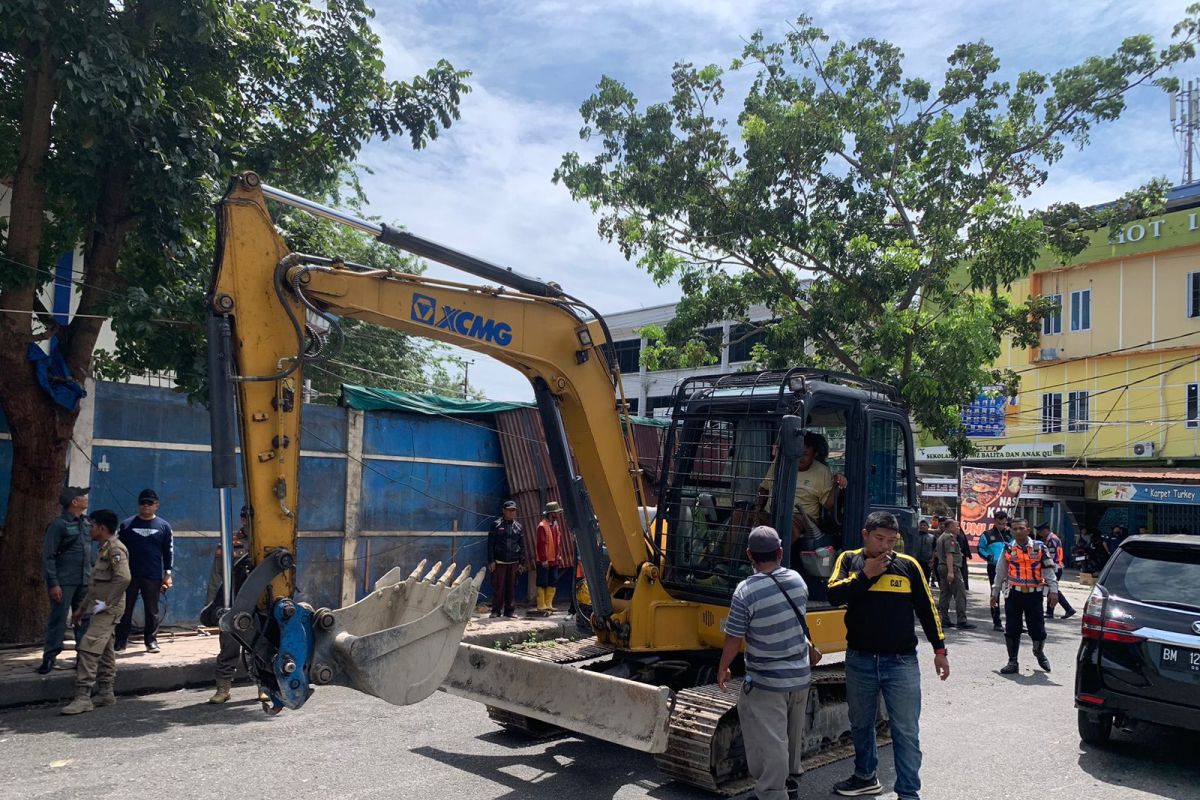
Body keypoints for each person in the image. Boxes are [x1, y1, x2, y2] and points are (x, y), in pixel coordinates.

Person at [827, 512, 949, 800]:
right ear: (865, 534)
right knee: (860, 724)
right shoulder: (848, 561)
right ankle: (865, 776)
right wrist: (865, 575)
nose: (885, 547)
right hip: (860, 660)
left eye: (890, 541)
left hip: (901, 663)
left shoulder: (908, 566)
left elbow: (928, 609)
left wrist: (940, 650)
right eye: (879, 539)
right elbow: (833, 594)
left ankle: (908, 793)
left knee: (906, 731)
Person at [717, 526, 811, 800]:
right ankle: (790, 782)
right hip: (800, 676)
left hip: (767, 681)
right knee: (792, 735)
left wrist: (723, 667)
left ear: (749, 555)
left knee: (770, 741)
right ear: (780, 552)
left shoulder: (746, 592)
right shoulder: (797, 580)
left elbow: (734, 638)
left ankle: (772, 794)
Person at [60, 510, 131, 715]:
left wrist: (107, 603)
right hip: (101, 607)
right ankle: (106, 692)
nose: (89, 529)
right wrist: (82, 609)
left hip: (109, 608)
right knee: (105, 647)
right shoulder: (104, 549)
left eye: (92, 525)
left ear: (101, 528)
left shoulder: (116, 549)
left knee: (88, 647)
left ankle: (83, 697)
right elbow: (95, 586)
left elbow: (124, 578)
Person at [991, 518, 1058, 674]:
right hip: (1014, 594)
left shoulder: (1040, 548)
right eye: (1015, 529)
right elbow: (1000, 572)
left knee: (1038, 629)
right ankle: (1012, 661)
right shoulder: (1007, 549)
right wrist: (995, 593)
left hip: (1034, 595)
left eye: (1021, 528)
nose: (1018, 531)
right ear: (1011, 531)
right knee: (1012, 628)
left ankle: (1039, 652)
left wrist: (1054, 591)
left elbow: (1049, 571)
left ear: (1028, 530)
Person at [38, 487, 92, 674]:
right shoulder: (59, 525)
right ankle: (49, 658)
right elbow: (49, 556)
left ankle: (83, 658)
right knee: (58, 620)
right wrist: (53, 582)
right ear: (74, 502)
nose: (86, 499)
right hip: (64, 581)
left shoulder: (86, 523)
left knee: (84, 620)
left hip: (84, 581)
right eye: (82, 497)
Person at [757, 431, 848, 540]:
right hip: (772, 512)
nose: (800, 458)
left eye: (805, 454)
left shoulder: (822, 471)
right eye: (798, 453)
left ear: (814, 454)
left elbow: (828, 505)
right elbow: (764, 488)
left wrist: (835, 485)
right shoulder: (779, 463)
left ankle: (776, 555)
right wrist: (758, 509)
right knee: (740, 516)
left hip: (801, 517)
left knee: (785, 526)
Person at [114, 489, 174, 653]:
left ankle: (151, 641)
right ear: (138, 504)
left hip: (152, 575)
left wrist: (167, 574)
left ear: (157, 505)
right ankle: (120, 641)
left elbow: (168, 551)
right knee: (125, 609)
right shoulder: (126, 525)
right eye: (143, 503)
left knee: (152, 610)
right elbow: (117, 549)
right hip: (129, 575)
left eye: (150, 503)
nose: (146, 506)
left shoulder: (164, 527)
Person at [208, 507, 250, 704]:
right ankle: (223, 688)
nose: (247, 520)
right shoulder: (229, 542)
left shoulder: (267, 540)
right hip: (232, 603)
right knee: (228, 647)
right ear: (242, 519)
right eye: (245, 517)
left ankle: (263, 686)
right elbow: (217, 575)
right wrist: (213, 605)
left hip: (257, 604)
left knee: (258, 649)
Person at [935, 519, 974, 630]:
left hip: (942, 566)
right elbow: (949, 555)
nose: (958, 528)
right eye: (956, 526)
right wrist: (951, 572)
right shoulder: (949, 538)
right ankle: (962, 620)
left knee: (945, 594)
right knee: (960, 594)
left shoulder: (942, 536)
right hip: (951, 568)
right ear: (950, 527)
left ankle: (945, 620)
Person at [488, 500, 524, 618]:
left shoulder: (518, 527)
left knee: (511, 588)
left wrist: (521, 562)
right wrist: (491, 561)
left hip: (514, 563)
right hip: (499, 562)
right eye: (509, 510)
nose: (512, 512)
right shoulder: (496, 525)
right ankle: (496, 611)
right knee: (498, 587)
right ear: (504, 511)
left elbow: (522, 545)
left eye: (513, 510)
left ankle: (509, 611)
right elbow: (490, 544)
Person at [978, 512, 1012, 631]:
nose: (1001, 526)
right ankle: (997, 622)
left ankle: (1013, 621)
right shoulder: (987, 535)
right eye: (999, 523)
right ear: (994, 521)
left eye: (1003, 523)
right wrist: (988, 557)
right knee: (995, 593)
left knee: (1011, 595)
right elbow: (980, 549)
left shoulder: (1010, 535)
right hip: (994, 567)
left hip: (1009, 567)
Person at [532, 501, 568, 616]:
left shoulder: (555, 525)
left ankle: (548, 604)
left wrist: (559, 555)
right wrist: (543, 560)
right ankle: (541, 605)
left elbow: (557, 542)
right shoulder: (542, 526)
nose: (558, 514)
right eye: (556, 512)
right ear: (551, 513)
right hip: (545, 561)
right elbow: (541, 544)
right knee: (542, 582)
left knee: (552, 581)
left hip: (554, 559)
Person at [1037, 523, 1075, 620]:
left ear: (1045, 530)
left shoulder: (1051, 540)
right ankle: (1051, 611)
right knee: (1051, 589)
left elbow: (1051, 557)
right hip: (1056, 567)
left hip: (1054, 568)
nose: (1039, 534)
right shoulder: (1053, 538)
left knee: (1052, 589)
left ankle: (1067, 609)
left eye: (1040, 531)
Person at [914, 521, 936, 585]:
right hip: (916, 561)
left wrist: (932, 559)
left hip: (927, 562)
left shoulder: (932, 537)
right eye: (921, 525)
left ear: (928, 527)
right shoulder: (914, 536)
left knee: (925, 580)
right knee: (916, 580)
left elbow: (934, 549)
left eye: (924, 525)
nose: (922, 526)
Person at [954, 523, 971, 592]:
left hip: (960, 557)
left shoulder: (960, 535)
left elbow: (964, 546)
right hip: (959, 557)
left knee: (961, 572)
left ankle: (962, 586)